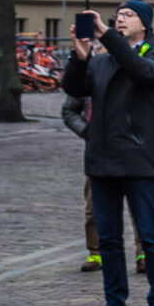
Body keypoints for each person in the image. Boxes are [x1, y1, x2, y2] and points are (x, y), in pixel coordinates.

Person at [63, 0, 154, 306]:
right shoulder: (102, 59)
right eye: (118, 16)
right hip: (102, 159)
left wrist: (107, 36)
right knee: (109, 238)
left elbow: (140, 72)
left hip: (138, 159)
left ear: (145, 24)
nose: (120, 20)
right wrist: (79, 56)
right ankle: (115, 305)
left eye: (128, 15)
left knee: (149, 236)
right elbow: (74, 89)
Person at [64, 93, 102, 272]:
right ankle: (95, 252)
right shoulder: (89, 71)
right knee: (93, 205)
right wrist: (86, 131)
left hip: (134, 151)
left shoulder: (139, 67)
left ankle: (143, 254)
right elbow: (69, 110)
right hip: (98, 153)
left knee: (140, 209)